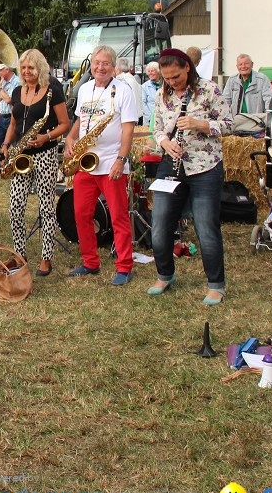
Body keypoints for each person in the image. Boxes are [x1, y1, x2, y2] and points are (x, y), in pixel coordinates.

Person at [149, 48, 232, 305]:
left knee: (206, 225)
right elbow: (158, 128)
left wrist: (200, 125)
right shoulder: (163, 93)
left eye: (176, 77)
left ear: (187, 67)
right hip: (171, 163)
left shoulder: (209, 90)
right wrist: (164, 143)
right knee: (160, 222)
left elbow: (229, 124)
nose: (172, 82)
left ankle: (216, 284)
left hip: (204, 166)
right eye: (167, 78)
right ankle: (165, 274)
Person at [64, 46, 138, 285]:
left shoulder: (123, 90)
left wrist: (121, 159)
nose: (100, 67)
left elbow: (128, 129)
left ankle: (125, 266)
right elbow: (80, 119)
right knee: (81, 214)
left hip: (111, 163)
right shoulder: (85, 88)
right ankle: (90, 262)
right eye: (96, 62)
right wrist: (71, 138)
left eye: (105, 63)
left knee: (118, 216)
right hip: (86, 162)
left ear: (114, 66)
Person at [2, 49, 70, 277]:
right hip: (21, 156)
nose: (26, 71)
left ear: (40, 67)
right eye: (23, 68)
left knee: (46, 207)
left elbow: (64, 124)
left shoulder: (53, 91)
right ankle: (20, 255)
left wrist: (46, 137)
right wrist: (5, 144)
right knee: (15, 206)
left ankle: (46, 257)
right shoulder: (18, 90)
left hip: (45, 153)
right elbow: (13, 122)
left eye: (30, 67)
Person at [0, 63, 19, 175]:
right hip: (2, 117)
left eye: (0, 70)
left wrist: (0, 89)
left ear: (7, 69)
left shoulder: (17, 82)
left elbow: (9, 100)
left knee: (15, 143)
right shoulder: (2, 82)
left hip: (11, 117)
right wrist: (3, 94)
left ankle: (16, 166)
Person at [114, 58, 142, 123]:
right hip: (136, 115)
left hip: (127, 116)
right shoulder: (132, 78)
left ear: (118, 69)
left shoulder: (122, 81)